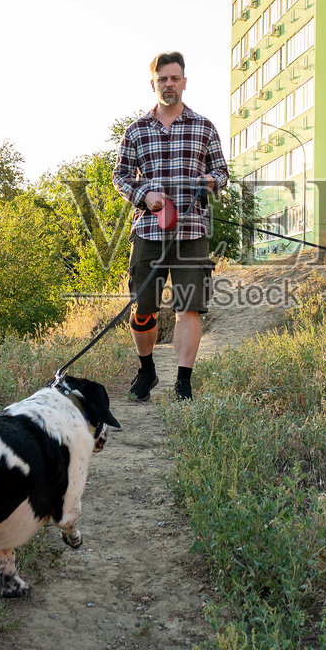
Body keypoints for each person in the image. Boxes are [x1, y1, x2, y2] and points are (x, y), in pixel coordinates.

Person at [113, 51, 229, 401]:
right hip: (148, 231)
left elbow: (223, 172)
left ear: (184, 82)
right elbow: (119, 176)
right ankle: (146, 370)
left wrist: (212, 180)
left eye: (174, 78)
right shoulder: (136, 130)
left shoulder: (204, 126)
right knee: (143, 308)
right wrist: (144, 194)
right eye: (162, 79)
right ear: (153, 84)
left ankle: (183, 382)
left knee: (188, 307)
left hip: (192, 232)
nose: (169, 84)